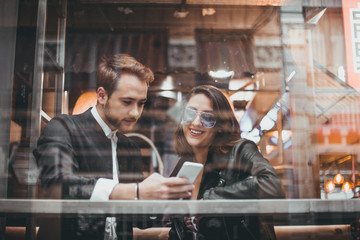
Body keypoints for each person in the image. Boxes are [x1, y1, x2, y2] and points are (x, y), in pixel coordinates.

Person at [33, 54, 194, 240]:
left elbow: (138, 219)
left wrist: (163, 199)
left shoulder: (129, 148)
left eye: (141, 104)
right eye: (127, 102)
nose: (135, 113)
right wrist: (137, 191)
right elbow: (57, 185)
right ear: (102, 95)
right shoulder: (63, 127)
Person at [168, 85, 285, 240]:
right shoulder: (184, 164)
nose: (196, 122)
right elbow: (178, 229)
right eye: (190, 113)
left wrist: (210, 199)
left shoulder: (241, 150)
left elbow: (272, 184)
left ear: (220, 126)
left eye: (208, 118)